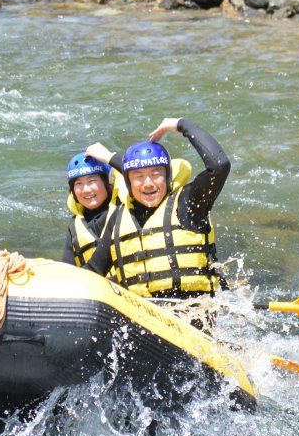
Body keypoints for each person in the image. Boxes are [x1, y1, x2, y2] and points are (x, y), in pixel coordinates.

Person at [82, 117, 230, 299]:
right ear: (128, 182)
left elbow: (219, 166)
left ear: (168, 176)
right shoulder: (119, 219)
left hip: (192, 314)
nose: (148, 184)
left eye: (156, 174)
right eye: (138, 176)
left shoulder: (189, 203)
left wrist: (181, 124)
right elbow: (91, 271)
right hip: (140, 316)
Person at [61, 144, 122, 267]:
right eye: (79, 184)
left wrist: (110, 157)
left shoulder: (125, 208)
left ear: (108, 183)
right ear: (73, 192)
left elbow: (139, 173)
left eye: (92, 181)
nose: (86, 189)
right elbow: (67, 269)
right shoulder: (74, 228)